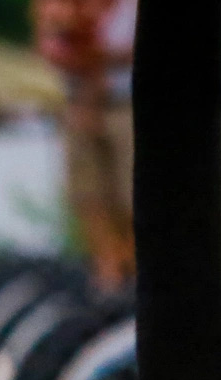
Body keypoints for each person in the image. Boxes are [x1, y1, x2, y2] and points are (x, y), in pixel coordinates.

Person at [35, 0, 136, 291]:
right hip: (78, 102)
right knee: (87, 194)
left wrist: (92, 56)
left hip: (124, 104)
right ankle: (109, 270)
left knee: (131, 191)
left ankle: (134, 266)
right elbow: (49, 47)